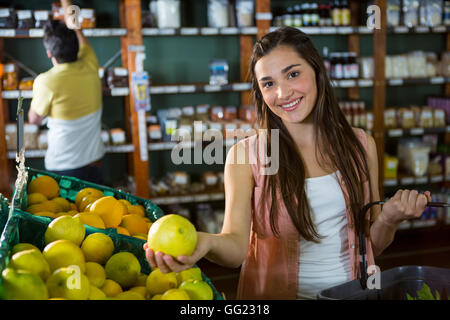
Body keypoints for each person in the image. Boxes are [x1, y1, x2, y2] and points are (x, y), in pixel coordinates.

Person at [143, 27, 432, 300]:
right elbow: (235, 247)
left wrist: (391, 218)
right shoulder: (246, 156)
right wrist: (204, 242)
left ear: (317, 72)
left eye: (293, 74)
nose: (282, 93)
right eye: (268, 83)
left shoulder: (360, 146)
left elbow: (372, 247)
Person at [28, 0, 104, 184]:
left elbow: (34, 119)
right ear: (77, 48)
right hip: (95, 161)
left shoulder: (45, 81)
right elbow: (77, 29)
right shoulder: (90, 63)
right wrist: (65, 2)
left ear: (49, 53)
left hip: (63, 165)